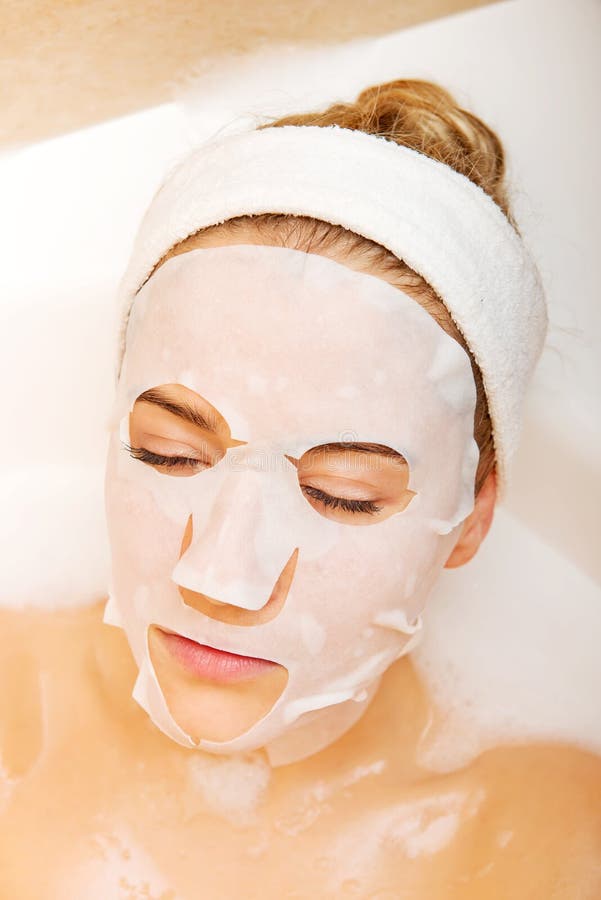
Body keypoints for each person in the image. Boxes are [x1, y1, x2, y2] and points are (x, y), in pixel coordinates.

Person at [1, 79, 599, 899]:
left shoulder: (540, 839)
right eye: (169, 453)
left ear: (470, 519)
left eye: (340, 495)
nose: (220, 577)